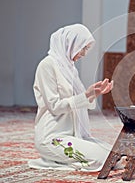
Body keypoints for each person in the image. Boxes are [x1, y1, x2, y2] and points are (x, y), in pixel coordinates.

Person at [28, 24, 114, 171]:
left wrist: (93, 94)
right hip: (52, 136)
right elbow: (55, 107)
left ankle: (61, 160)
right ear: (70, 43)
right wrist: (85, 95)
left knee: (115, 156)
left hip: (73, 135)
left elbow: (79, 103)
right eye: (83, 48)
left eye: (86, 49)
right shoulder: (47, 65)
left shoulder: (69, 68)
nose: (84, 53)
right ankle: (56, 160)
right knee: (104, 160)